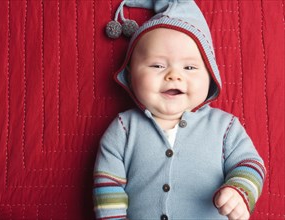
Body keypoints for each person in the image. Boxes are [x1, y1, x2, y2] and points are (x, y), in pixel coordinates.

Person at [93, 0, 266, 219]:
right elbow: (108, 185)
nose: (174, 76)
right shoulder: (124, 128)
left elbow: (250, 163)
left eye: (190, 67)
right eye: (157, 65)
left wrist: (240, 190)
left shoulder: (225, 127)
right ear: (130, 75)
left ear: (210, 75)